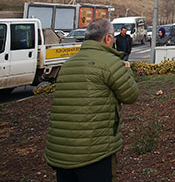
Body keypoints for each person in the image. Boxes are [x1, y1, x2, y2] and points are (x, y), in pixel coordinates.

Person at [44, 18, 139, 182]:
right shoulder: (111, 63)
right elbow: (131, 95)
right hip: (94, 151)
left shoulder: (68, 64)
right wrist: (128, 71)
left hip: (61, 151)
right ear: (108, 38)